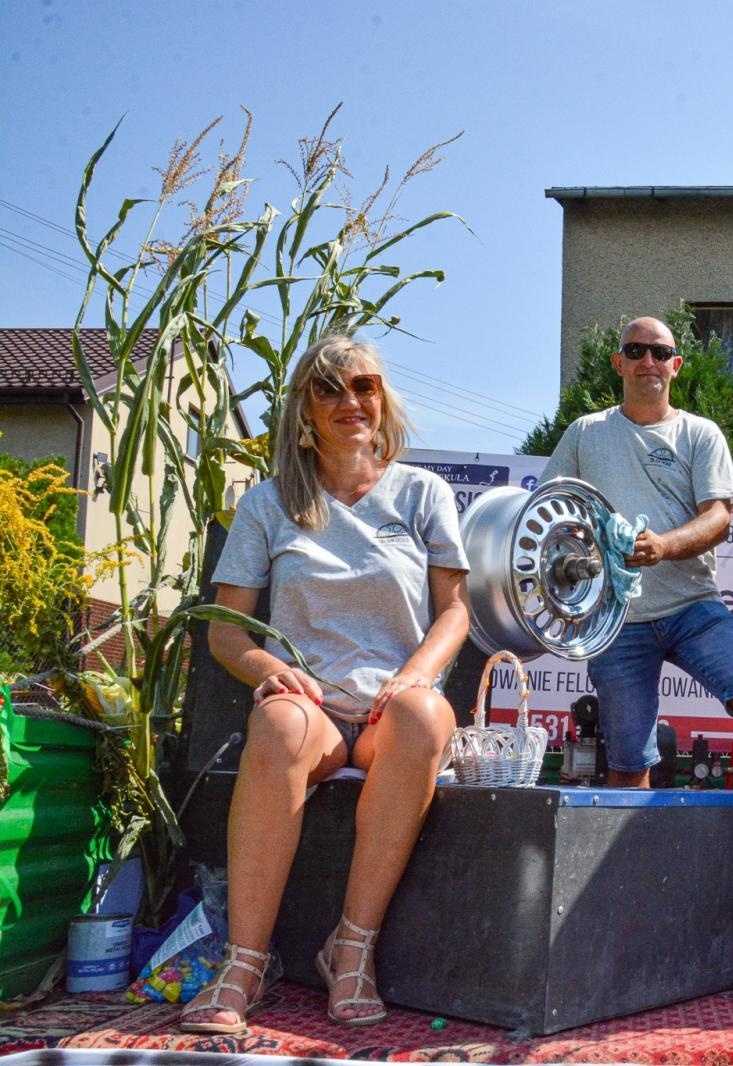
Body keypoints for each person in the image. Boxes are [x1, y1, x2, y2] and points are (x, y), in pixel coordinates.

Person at [180, 337, 470, 1033]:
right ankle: (244, 962)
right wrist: (270, 671)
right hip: (308, 707)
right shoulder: (268, 504)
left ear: (383, 397)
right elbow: (226, 629)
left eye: (364, 386)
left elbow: (455, 610)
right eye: (329, 389)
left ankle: (351, 947)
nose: (350, 402)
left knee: (426, 717)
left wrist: (415, 676)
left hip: (385, 711)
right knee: (277, 723)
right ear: (304, 410)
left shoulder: (422, 492)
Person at [543, 316, 733, 851]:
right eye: (636, 350)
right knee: (626, 758)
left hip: (693, 608)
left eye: (660, 352)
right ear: (619, 363)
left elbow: (718, 520)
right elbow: (548, 515)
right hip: (615, 621)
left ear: (675, 365)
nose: (648, 361)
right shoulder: (585, 433)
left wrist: (662, 546)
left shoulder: (699, 432)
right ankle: (629, 882)